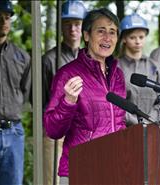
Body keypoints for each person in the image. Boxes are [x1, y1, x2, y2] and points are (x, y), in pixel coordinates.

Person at [43, 8, 126, 185]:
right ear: (87, 36)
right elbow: (52, 130)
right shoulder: (68, 74)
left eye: (112, 32)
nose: (107, 38)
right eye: (101, 31)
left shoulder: (118, 75)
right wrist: (68, 102)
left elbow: (119, 123)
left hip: (114, 168)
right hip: (80, 168)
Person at [0, 0, 31, 185]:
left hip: (14, 131)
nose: (4, 22)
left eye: (7, 17)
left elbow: (24, 93)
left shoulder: (22, 57)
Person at [42, 1, 87, 184]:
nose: (72, 29)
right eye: (67, 24)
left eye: (77, 23)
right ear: (61, 26)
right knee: (53, 181)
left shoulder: (94, 59)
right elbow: (41, 97)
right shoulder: (49, 59)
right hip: (58, 134)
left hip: (86, 132)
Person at [118, 13, 160, 125]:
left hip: (154, 126)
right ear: (124, 39)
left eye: (141, 37)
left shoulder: (155, 67)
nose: (137, 41)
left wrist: (150, 119)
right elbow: (114, 102)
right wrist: (135, 122)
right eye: (132, 37)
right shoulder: (116, 67)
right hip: (124, 128)